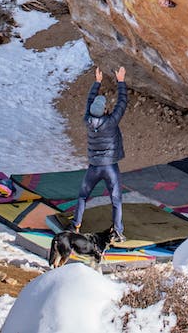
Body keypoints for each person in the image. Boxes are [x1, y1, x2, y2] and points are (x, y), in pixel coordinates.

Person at [71, 66, 127, 243]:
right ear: (103, 110)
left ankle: (76, 225)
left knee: (82, 196)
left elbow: (89, 101)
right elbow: (122, 103)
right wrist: (121, 81)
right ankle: (117, 232)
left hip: (94, 166)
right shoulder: (110, 122)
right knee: (116, 199)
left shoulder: (87, 120)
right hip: (110, 166)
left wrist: (97, 82)